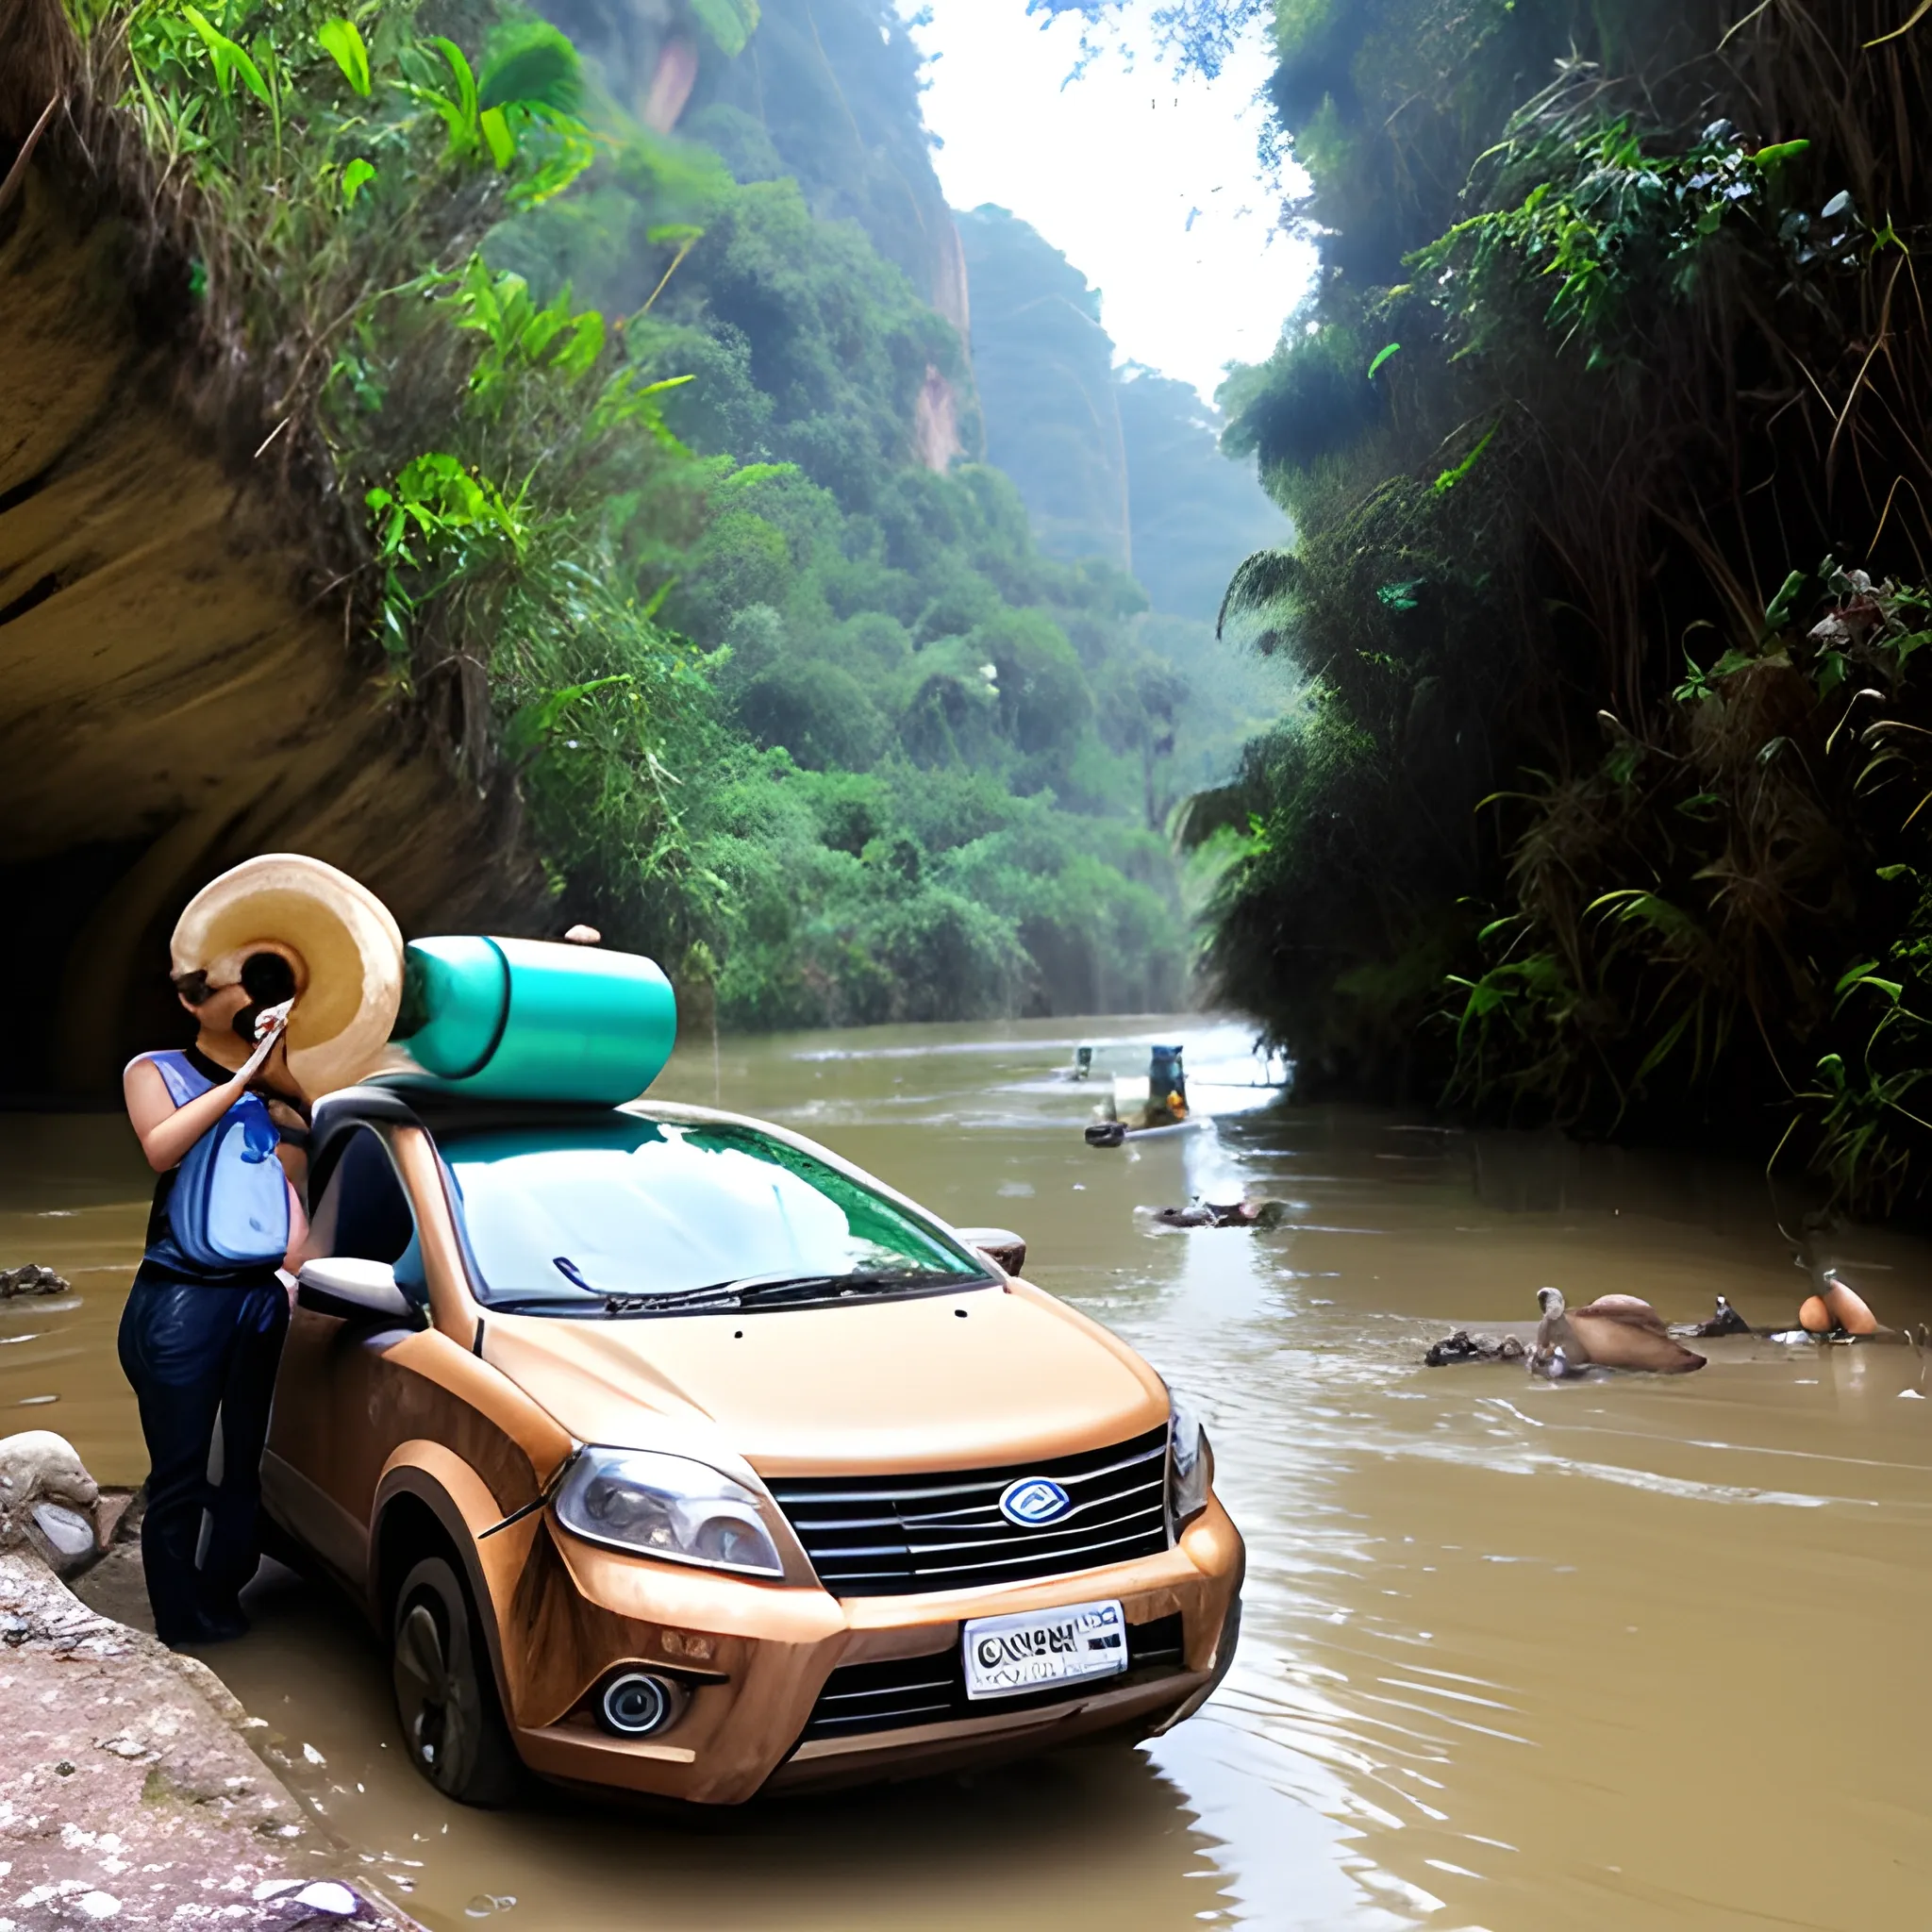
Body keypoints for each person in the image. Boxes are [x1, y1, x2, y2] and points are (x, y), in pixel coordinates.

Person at [120, 949, 309, 1646]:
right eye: (248, 986)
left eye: (273, 988)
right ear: (193, 1001)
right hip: (181, 1298)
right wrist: (247, 1077)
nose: (261, 1000)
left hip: (256, 1296)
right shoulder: (153, 1071)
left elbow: (295, 1188)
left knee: (242, 1465)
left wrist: (287, 1085)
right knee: (180, 1471)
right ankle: (177, 1619)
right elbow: (161, 1147)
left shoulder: (282, 1096)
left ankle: (223, 1593)